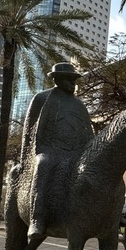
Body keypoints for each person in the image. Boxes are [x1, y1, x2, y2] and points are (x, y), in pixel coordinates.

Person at [23, 62, 94, 239]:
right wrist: (28, 156)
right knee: (44, 165)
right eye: (69, 79)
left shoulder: (79, 104)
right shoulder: (42, 98)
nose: (73, 83)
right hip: (50, 149)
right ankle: (37, 218)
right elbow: (29, 129)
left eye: (74, 80)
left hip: (77, 151)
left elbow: (88, 131)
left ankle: (105, 214)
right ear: (57, 79)